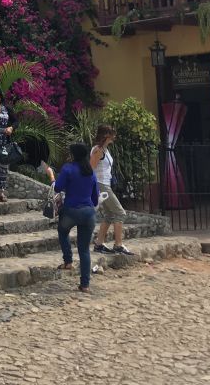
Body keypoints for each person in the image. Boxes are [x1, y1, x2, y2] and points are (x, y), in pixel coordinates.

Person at [54, 142, 100, 293]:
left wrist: (51, 176)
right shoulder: (91, 172)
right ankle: (85, 284)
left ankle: (67, 260)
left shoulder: (68, 169)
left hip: (71, 211)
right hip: (88, 213)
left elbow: (57, 187)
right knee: (84, 249)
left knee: (62, 231)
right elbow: (95, 198)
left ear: (73, 154)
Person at [91, 125, 134, 256]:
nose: (114, 137)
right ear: (106, 135)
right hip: (101, 184)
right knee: (120, 213)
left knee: (109, 214)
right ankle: (118, 245)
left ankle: (99, 244)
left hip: (105, 183)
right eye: (112, 134)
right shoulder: (98, 150)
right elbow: (90, 168)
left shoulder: (105, 149)